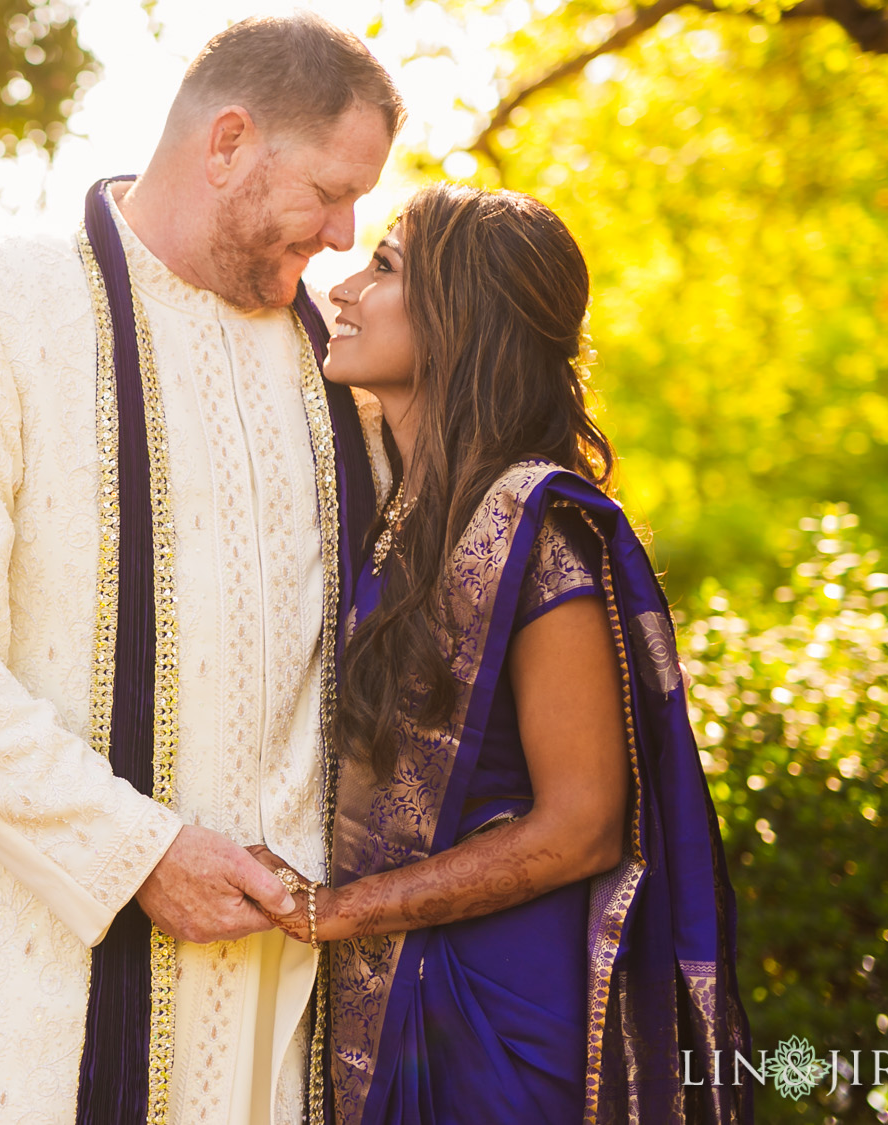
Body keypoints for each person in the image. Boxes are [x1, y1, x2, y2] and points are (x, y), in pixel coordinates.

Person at [0, 13, 402, 1124]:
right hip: (32, 1003)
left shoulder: (350, 376)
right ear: (228, 141)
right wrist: (135, 852)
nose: (345, 237)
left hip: (289, 1030)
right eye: (329, 192)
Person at [249, 184, 752, 1124]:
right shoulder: (399, 517)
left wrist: (335, 913)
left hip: (500, 1027)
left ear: (461, 319)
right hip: (403, 992)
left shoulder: (539, 529)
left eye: (387, 266)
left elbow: (584, 825)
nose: (346, 285)